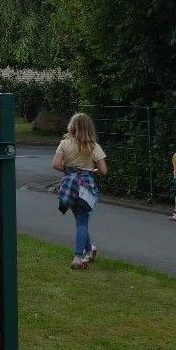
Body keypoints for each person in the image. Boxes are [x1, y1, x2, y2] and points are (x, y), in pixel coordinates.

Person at [54, 113, 107, 269]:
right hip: (85, 186)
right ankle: (82, 254)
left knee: (80, 219)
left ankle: (86, 252)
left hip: (69, 186)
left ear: (72, 126)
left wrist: (70, 170)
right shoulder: (94, 146)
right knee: (82, 221)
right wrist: (90, 171)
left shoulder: (64, 144)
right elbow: (103, 170)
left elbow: (56, 164)